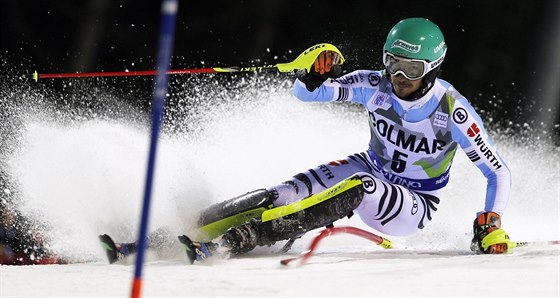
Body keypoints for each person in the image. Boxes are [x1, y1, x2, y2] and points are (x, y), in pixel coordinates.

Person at [101, 17, 512, 264]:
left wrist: (490, 222)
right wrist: (311, 74)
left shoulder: (453, 111)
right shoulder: (376, 85)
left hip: (413, 203)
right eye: (392, 62)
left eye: (410, 67)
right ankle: (156, 240)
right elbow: (310, 95)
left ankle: (242, 240)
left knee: (360, 186)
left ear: (433, 68)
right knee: (284, 191)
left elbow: (498, 173)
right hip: (370, 166)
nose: (399, 76)